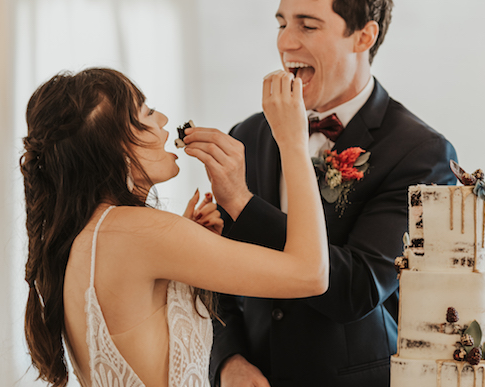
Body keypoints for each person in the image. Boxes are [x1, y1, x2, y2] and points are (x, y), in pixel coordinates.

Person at [183, 0, 458, 387]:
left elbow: (358, 290)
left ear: (363, 37)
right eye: (281, 23)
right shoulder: (249, 134)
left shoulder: (420, 153)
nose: (285, 42)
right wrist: (228, 357)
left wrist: (242, 202)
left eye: (307, 25)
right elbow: (220, 268)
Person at [21, 67, 328, 387]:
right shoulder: (140, 232)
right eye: (147, 111)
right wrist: (292, 141)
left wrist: (182, 252)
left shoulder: (92, 235)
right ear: (117, 147)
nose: (164, 120)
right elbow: (312, 274)